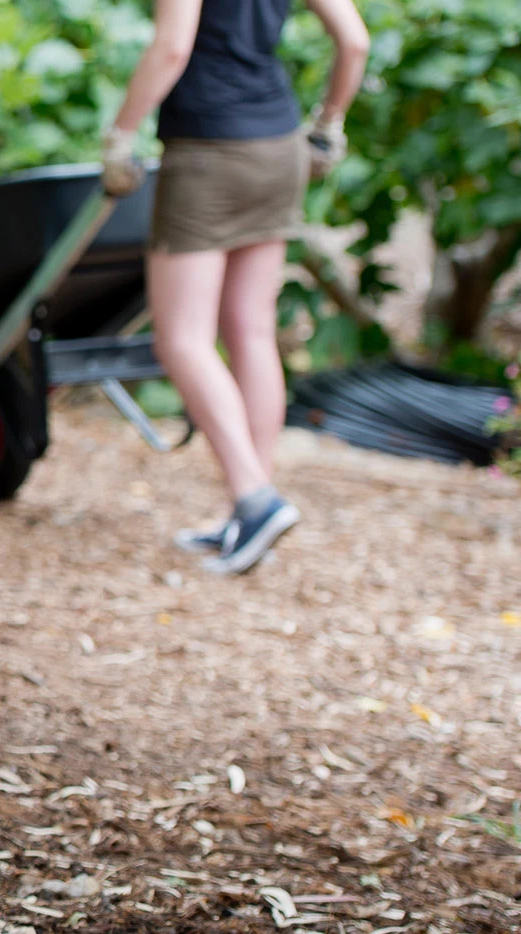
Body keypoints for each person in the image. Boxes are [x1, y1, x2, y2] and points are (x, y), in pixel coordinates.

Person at [102, 0, 369, 574]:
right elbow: (354, 41)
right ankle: (253, 508)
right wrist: (328, 126)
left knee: (181, 340)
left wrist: (120, 137)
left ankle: (254, 499)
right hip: (280, 143)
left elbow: (173, 46)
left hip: (209, 152)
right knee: (250, 331)